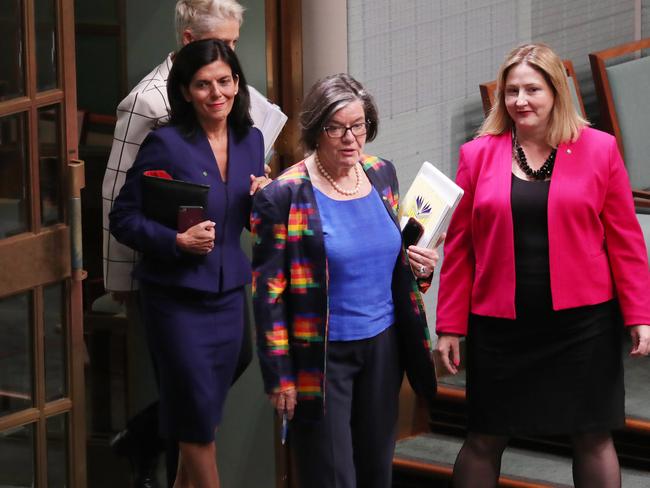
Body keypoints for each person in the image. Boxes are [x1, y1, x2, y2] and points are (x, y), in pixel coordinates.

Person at [435, 43, 650, 488]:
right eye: (511, 91)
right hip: (500, 324)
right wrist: (450, 326)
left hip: (583, 323)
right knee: (483, 437)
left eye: (532, 89)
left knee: (592, 436)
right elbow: (460, 246)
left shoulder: (599, 149)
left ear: (556, 92)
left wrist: (640, 315)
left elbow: (626, 242)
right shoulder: (478, 154)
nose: (520, 101)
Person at [102, 1, 270, 486]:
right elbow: (123, 216)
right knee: (198, 430)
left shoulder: (251, 140)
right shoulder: (166, 143)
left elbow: (250, 217)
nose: (215, 92)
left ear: (237, 83)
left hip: (229, 294)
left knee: (201, 418)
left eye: (224, 81)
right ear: (187, 91)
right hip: (174, 300)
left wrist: (265, 203)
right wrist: (175, 239)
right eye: (203, 84)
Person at [251, 73, 439, 488]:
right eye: (336, 127)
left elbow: (391, 263)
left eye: (358, 126)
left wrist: (420, 269)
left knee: (376, 471)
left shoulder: (380, 173)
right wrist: (280, 375)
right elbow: (268, 296)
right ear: (317, 130)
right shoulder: (284, 195)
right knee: (332, 475)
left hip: (383, 348)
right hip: (322, 355)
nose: (350, 137)